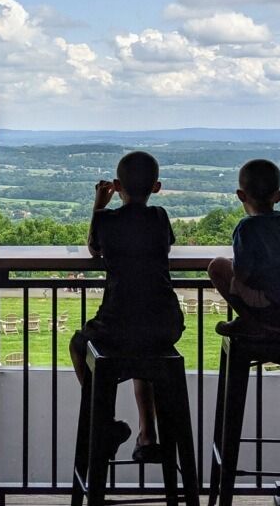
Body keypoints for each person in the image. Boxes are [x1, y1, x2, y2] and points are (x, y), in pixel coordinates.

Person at [69, 151, 184, 464]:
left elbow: (94, 246)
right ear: (156, 187)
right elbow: (167, 244)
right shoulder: (160, 217)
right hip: (164, 325)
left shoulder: (107, 219)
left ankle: (103, 424)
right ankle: (148, 435)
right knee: (144, 356)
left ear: (117, 185)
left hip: (118, 325)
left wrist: (99, 205)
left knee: (79, 345)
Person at [207, 159, 280, 343]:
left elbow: (242, 274)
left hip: (274, 305)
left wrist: (234, 266)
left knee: (217, 266)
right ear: (278, 196)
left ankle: (252, 324)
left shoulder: (247, 227)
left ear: (241, 195)